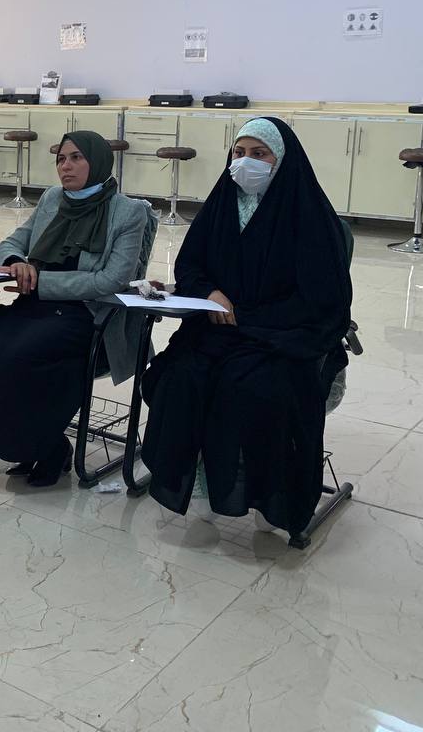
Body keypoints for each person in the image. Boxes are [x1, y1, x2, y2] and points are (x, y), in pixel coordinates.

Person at [140, 117, 352, 538]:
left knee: (253, 388)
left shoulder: (310, 216)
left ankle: (267, 494)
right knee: (178, 377)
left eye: (259, 154)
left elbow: (321, 299)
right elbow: (190, 264)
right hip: (215, 332)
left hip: (280, 337)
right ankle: (198, 485)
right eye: (239, 153)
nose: (245, 162)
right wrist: (211, 292)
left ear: (283, 160)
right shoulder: (222, 205)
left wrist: (248, 317)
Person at [0, 131, 153, 485]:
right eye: (60, 159)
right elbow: (13, 241)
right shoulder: (53, 198)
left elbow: (111, 279)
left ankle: (48, 447)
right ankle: (24, 442)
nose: (65, 166)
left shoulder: (128, 212)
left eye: (76, 158)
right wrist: (15, 261)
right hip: (34, 306)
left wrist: (41, 281)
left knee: (20, 354)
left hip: (86, 314)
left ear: (98, 161)